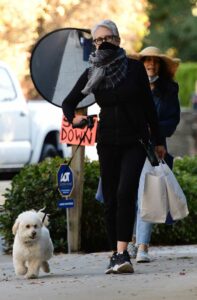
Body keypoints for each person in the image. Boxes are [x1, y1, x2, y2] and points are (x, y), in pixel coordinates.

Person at [62, 20, 166, 274]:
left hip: (135, 141)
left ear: (118, 40)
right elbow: (68, 103)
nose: (103, 43)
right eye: (98, 40)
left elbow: (149, 108)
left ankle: (122, 253)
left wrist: (159, 140)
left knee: (124, 193)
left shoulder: (133, 69)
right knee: (110, 199)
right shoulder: (92, 71)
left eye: (107, 38)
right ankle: (115, 253)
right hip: (107, 142)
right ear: (94, 45)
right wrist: (76, 119)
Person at [127, 46, 181, 262]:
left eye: (154, 61)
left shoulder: (169, 89)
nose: (150, 64)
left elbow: (172, 121)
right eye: (146, 60)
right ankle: (129, 241)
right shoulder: (131, 86)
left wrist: (153, 129)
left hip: (153, 149)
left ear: (160, 65)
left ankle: (143, 246)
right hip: (129, 146)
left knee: (147, 196)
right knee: (127, 196)